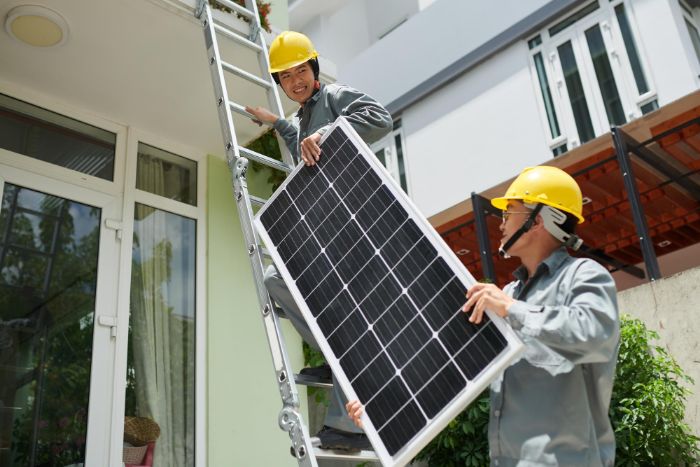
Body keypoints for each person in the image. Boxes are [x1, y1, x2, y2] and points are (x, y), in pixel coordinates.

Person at [347, 166, 620, 466]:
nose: (501, 224)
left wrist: (512, 310)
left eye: (509, 213)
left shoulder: (582, 276)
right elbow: (460, 372)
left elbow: (595, 335)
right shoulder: (509, 292)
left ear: (538, 220)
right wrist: (384, 412)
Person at [247, 31, 392, 452]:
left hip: (359, 225)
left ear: (314, 69)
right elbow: (301, 141)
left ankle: (346, 427)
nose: (295, 81)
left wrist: (325, 133)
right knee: (277, 280)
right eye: (286, 76)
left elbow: (379, 118)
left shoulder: (335, 97)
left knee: (349, 317)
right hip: (329, 232)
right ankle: (331, 355)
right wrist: (277, 123)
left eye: (301, 71)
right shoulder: (306, 116)